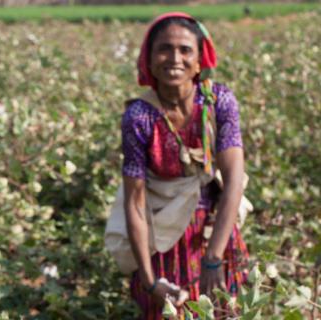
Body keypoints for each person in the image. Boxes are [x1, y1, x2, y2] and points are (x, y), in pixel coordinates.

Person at [119, 12, 249, 318]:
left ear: (200, 60)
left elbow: (233, 180)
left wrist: (214, 257)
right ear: (148, 60)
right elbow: (135, 203)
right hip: (164, 235)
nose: (174, 58)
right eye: (164, 49)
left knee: (222, 308)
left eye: (185, 50)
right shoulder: (140, 116)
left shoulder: (218, 102)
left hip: (213, 230)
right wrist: (150, 281)